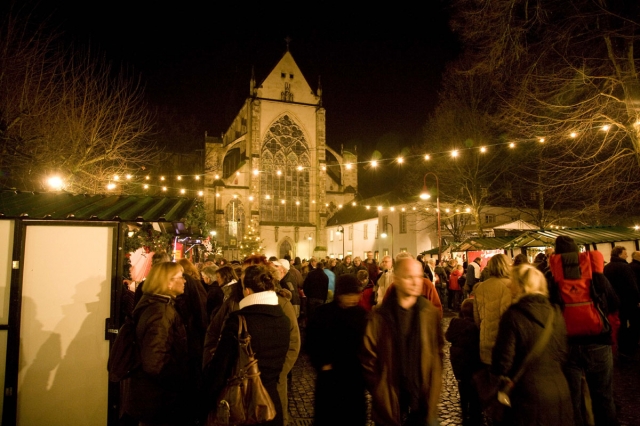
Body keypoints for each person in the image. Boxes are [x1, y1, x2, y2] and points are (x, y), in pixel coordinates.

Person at [204, 265, 290, 426]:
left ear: (248, 291)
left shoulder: (239, 322)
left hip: (244, 406)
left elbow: (219, 369)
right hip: (270, 404)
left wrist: (206, 400)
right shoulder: (282, 319)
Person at [360, 258, 443, 426]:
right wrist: (380, 389)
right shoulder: (379, 317)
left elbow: (437, 354)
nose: (415, 282)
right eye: (409, 277)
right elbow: (368, 359)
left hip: (423, 405)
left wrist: (432, 389)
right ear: (396, 280)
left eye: (418, 276)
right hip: (391, 405)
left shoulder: (429, 313)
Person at [547, 237, 619, 425]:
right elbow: (614, 303)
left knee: (572, 398)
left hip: (566, 343)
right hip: (598, 341)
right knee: (603, 395)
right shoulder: (595, 273)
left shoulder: (551, 275)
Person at [491, 264, 573, 425]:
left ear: (521, 286)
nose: (509, 285)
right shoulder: (555, 313)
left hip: (525, 395)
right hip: (560, 390)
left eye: (513, 282)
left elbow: (502, 362)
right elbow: (563, 352)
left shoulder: (513, 315)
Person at [123, 262, 190, 425]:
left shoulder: (151, 304)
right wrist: (178, 382)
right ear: (167, 282)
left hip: (149, 395)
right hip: (158, 398)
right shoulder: (161, 312)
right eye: (181, 277)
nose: (185, 281)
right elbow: (154, 361)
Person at [306, 274, 368, 425]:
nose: (353, 299)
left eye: (356, 295)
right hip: (330, 378)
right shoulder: (323, 313)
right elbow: (312, 341)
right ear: (339, 294)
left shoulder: (362, 315)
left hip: (354, 378)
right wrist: (322, 363)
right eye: (349, 295)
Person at [445, 299, 482, 426]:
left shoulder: (455, 323)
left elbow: (448, 336)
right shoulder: (476, 328)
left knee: (463, 388)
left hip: (459, 365)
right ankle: (473, 415)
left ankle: (464, 412)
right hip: (472, 364)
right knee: (474, 390)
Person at [472, 254, 513, 367]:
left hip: (485, 343)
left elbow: (477, 318)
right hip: (505, 345)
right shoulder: (511, 286)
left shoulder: (480, 287)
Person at [604, 246, 640, 357]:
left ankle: (620, 346)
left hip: (614, 302)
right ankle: (630, 347)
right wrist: (637, 299)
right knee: (635, 323)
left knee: (621, 324)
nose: (627, 255)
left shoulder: (607, 267)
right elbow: (632, 285)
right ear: (619, 254)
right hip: (628, 301)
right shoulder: (625, 267)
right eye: (625, 253)